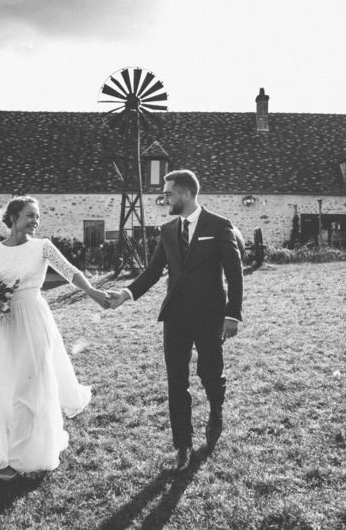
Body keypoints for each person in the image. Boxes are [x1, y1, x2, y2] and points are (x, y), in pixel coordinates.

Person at [107, 169, 244, 472]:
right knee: (176, 381)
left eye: (168, 193)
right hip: (175, 316)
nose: (164, 198)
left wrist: (232, 315)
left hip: (210, 316)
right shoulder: (168, 230)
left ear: (185, 194)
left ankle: (216, 411)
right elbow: (153, 271)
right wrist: (126, 294)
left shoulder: (219, 226)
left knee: (210, 372)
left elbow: (235, 274)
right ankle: (183, 444)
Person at [0, 196, 109, 480]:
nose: (36, 221)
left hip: (33, 317)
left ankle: (21, 460)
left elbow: (70, 272)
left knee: (29, 386)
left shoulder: (43, 246)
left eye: (38, 216)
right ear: (13, 217)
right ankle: (9, 447)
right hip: (6, 323)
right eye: (30, 215)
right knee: (7, 384)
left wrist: (93, 292)